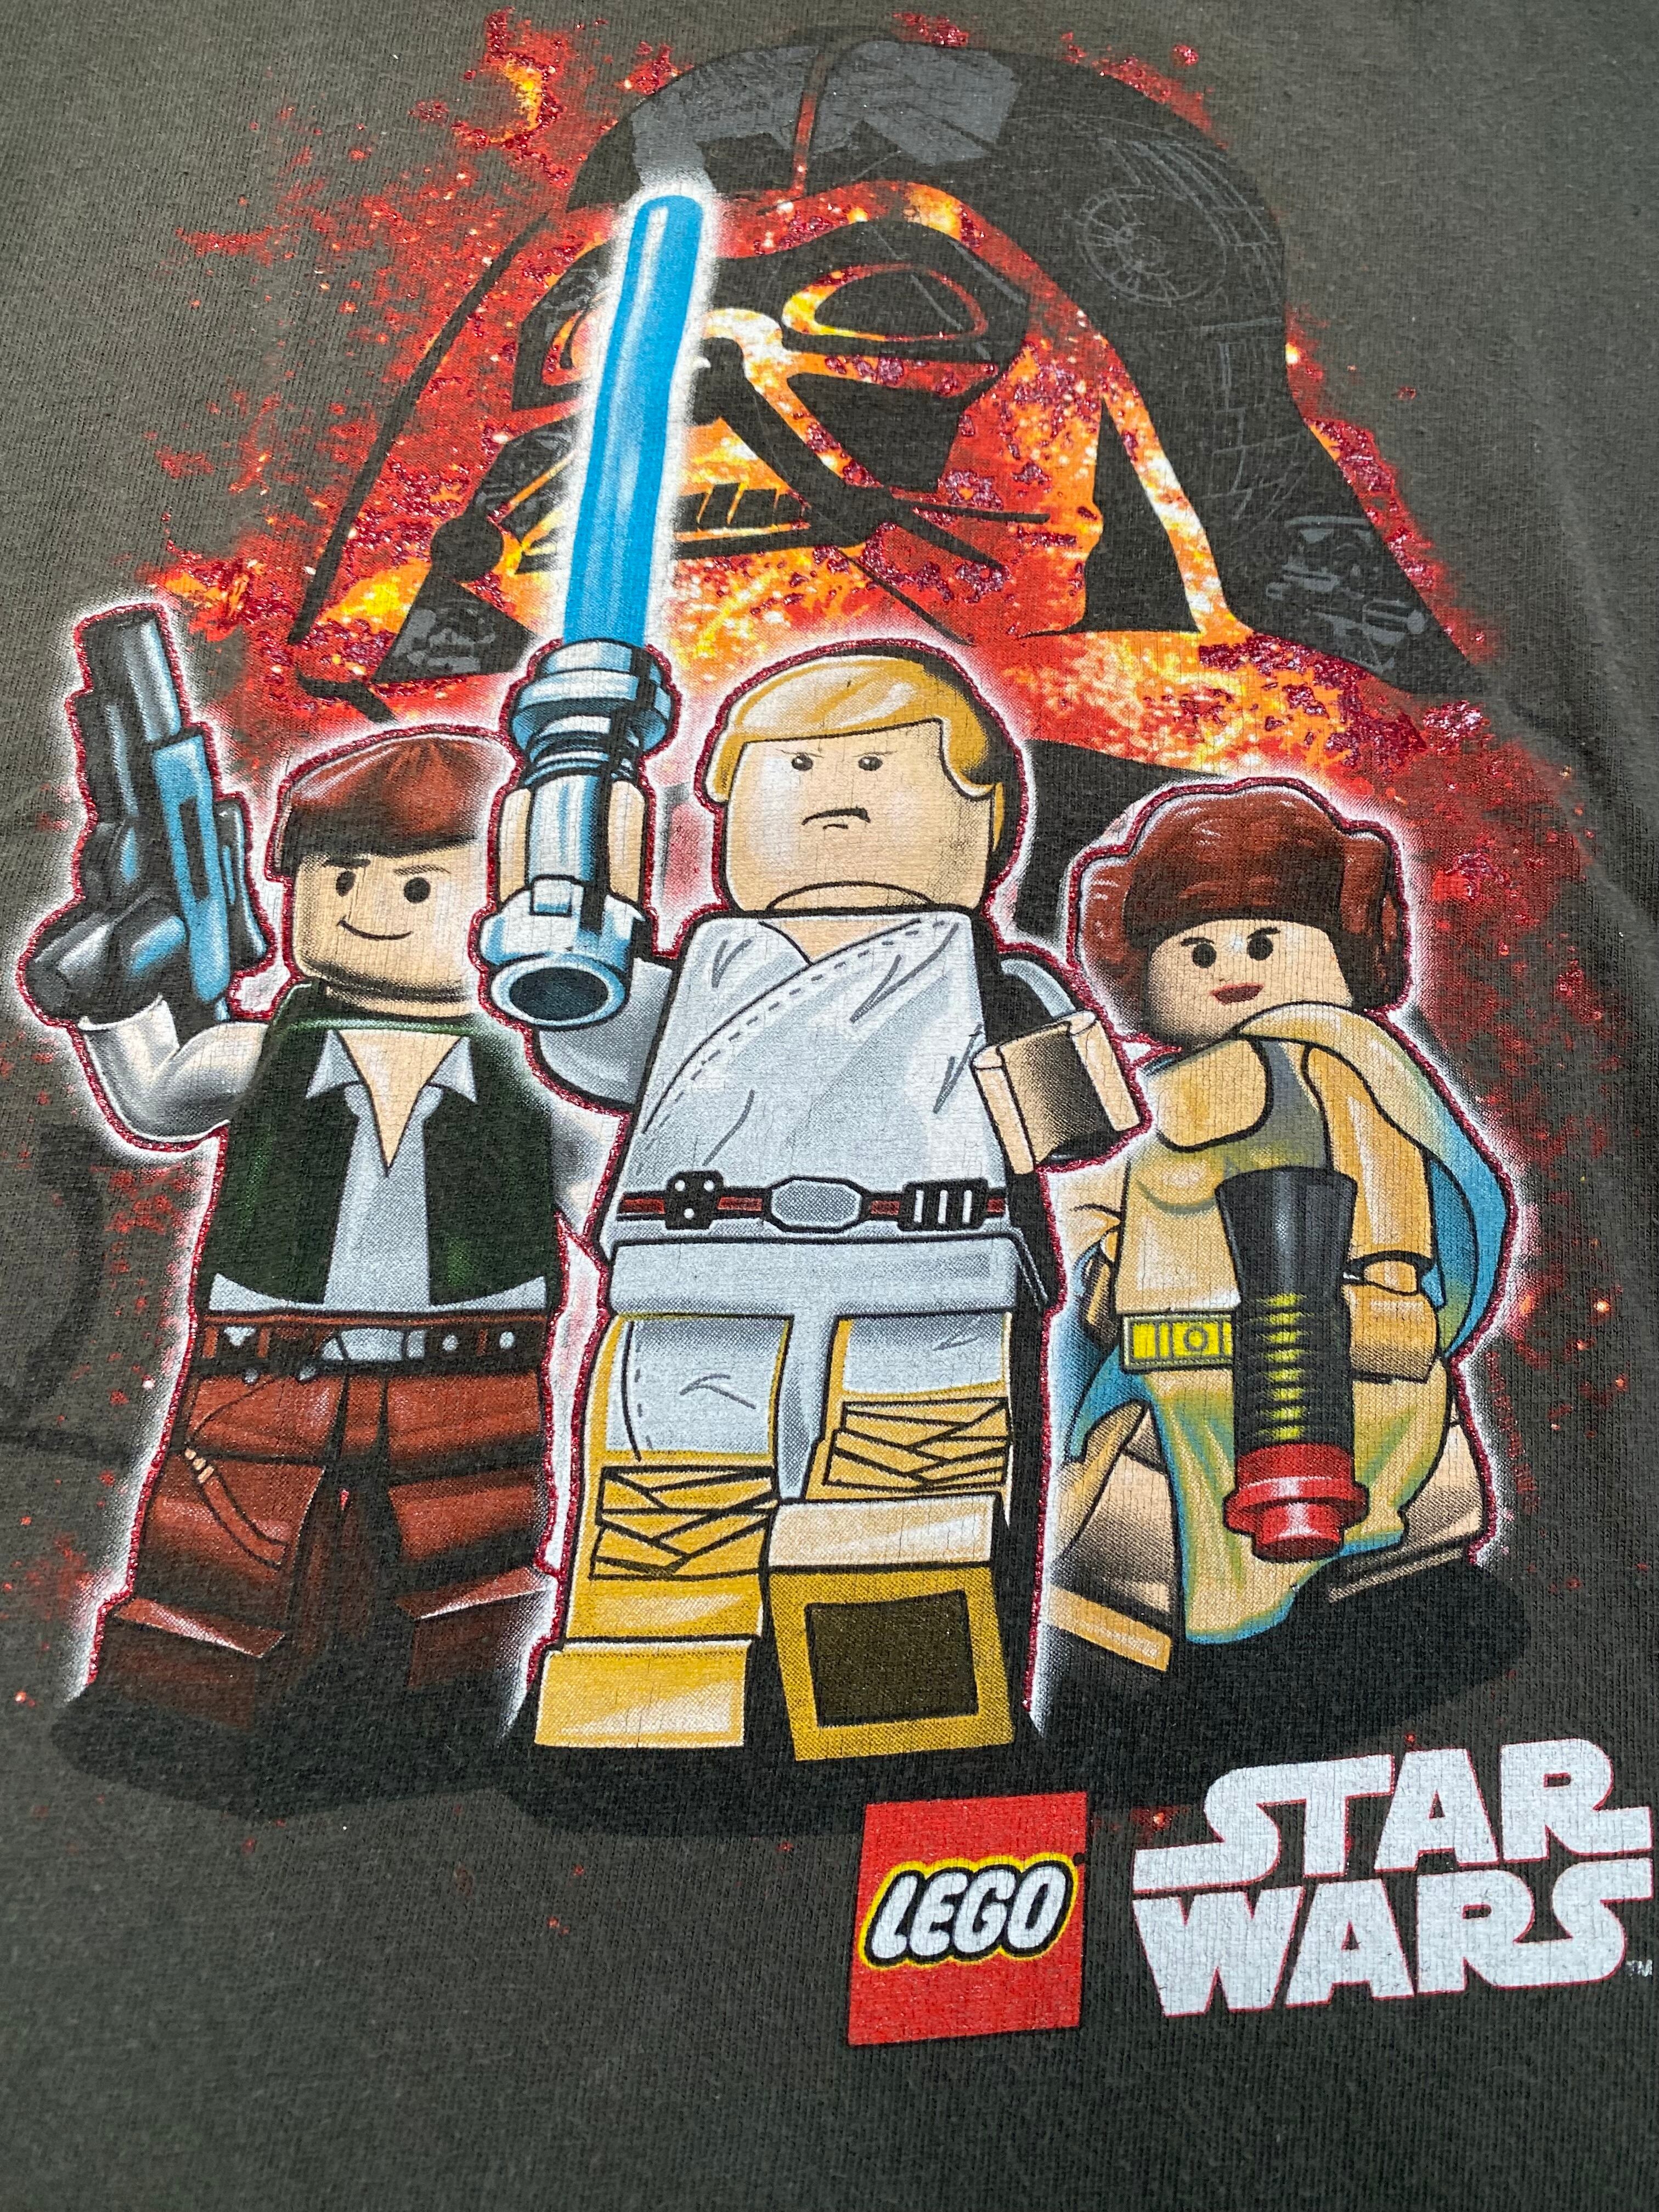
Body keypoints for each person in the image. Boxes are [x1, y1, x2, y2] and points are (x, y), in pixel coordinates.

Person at [499, 641, 1137, 1760]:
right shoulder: (702, 969)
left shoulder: (989, 975)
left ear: (985, 819)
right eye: (792, 768)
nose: (834, 796)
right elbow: (584, 1034)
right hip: (692, 1283)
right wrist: (566, 899)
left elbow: (1073, 1128)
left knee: (904, 1526)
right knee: (668, 1517)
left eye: (882, 765)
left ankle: (898, 1744)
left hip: (928, 1285)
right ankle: (647, 1730)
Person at [50, 730, 571, 1728]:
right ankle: (172, 1721)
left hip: (475, 1364)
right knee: (223, 1556)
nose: (369, 907)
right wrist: (115, 990)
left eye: (417, 886)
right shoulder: (266, 1053)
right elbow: (159, 1101)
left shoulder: (529, 1067)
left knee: (468, 1561)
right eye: (336, 877)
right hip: (267, 1363)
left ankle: (458, 1720)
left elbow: (595, 1190)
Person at [1044, 779, 1509, 1673]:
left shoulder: (1343, 1061)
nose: (1231, 966)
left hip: (1323, 1345)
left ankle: (1360, 1573)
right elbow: (1088, 1198)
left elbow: (1384, 1172)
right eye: (1197, 950)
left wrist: (1389, 1279)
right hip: (1169, 1345)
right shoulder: (1147, 1092)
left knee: (1360, 1449)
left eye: (1262, 942)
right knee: (1129, 1487)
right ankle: (1126, 1614)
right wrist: (1095, 1267)